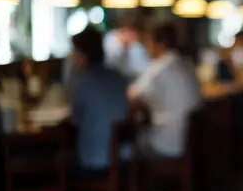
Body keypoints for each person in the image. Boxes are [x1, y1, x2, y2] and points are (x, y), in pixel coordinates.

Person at [127, 23, 201, 159]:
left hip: (168, 144)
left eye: (147, 43)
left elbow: (130, 97)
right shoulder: (187, 63)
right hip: (193, 142)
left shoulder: (158, 68)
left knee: (132, 145)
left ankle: (140, 180)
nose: (146, 49)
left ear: (160, 45)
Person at [69, 26, 131, 171]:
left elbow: (75, 119)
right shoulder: (119, 77)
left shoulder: (82, 83)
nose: (70, 56)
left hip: (95, 161)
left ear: (83, 54)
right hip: (124, 159)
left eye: (74, 51)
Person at [103, 12, 150, 81]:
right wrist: (122, 47)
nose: (133, 36)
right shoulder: (111, 38)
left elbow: (144, 67)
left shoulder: (138, 46)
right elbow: (109, 64)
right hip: (114, 81)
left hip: (135, 80)